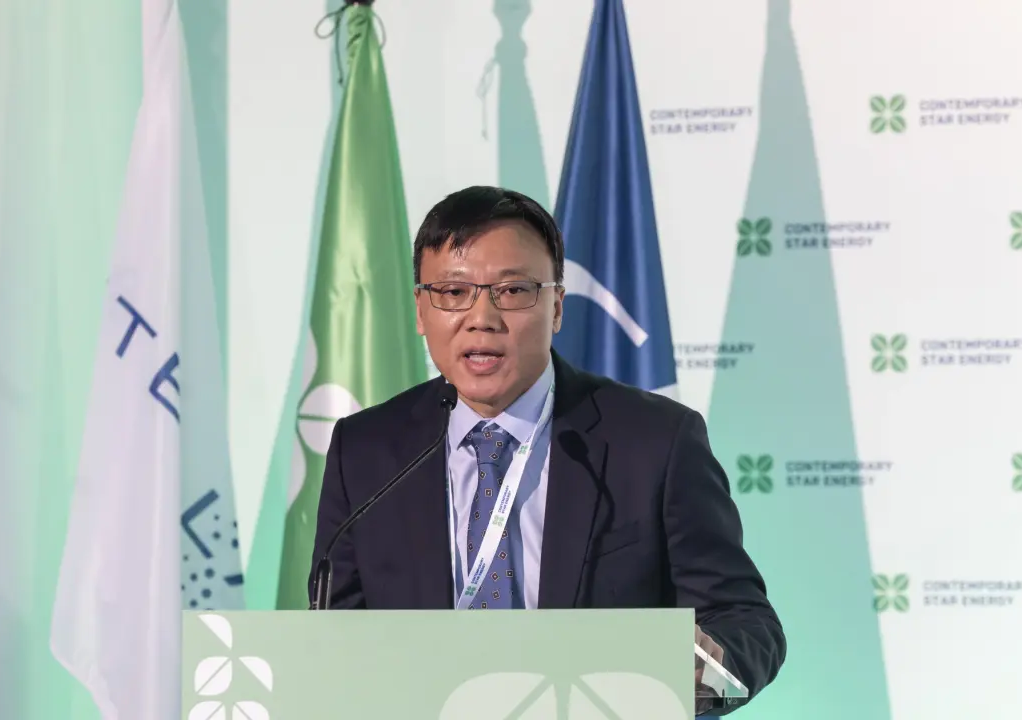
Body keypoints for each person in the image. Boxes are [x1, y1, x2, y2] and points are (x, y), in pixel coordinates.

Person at [309, 185, 786, 715]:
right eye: (453, 292)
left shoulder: (655, 442)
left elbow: (744, 622)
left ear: (557, 306)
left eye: (513, 290)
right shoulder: (367, 452)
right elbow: (335, 640)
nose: (481, 317)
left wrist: (681, 680)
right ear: (421, 310)